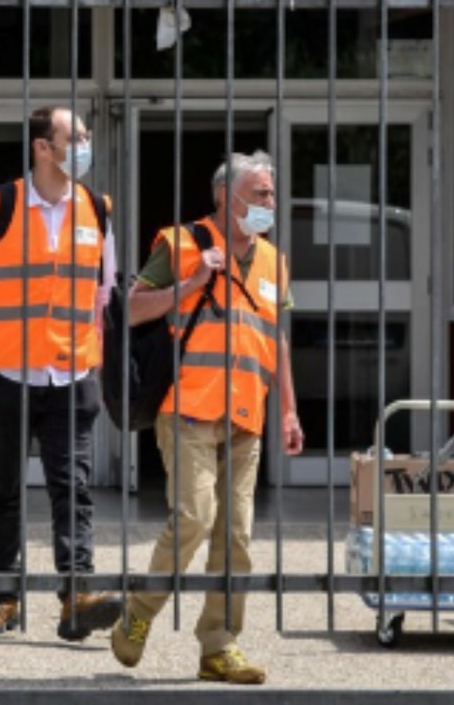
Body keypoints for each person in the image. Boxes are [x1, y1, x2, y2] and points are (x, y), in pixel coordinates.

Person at [0, 106, 123, 641]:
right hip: (8, 372)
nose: (84, 145)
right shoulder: (1, 206)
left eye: (84, 136)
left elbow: (103, 296)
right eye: (74, 136)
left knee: (73, 487)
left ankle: (77, 595)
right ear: (42, 146)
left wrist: (97, 365)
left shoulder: (97, 211)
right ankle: (4, 597)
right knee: (5, 487)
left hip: (72, 373)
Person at [110, 151, 303, 684]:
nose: (270, 204)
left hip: (246, 414)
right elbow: (132, 307)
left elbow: (276, 341)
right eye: (261, 194)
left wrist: (287, 409)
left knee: (235, 535)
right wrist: (191, 283)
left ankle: (219, 645)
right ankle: (140, 611)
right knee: (194, 517)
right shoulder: (181, 244)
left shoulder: (273, 261)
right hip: (189, 408)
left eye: (271, 195)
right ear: (226, 197)